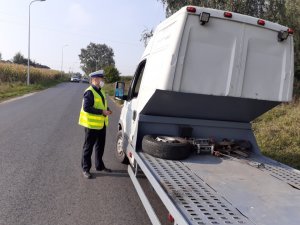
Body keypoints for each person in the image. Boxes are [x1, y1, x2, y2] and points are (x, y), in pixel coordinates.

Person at [78, 70, 112, 179]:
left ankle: (99, 166)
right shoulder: (89, 92)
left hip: (101, 124)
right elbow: (86, 107)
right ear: (94, 79)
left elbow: (101, 105)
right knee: (88, 148)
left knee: (100, 147)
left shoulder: (100, 90)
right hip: (91, 126)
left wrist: (107, 109)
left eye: (102, 78)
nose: (102, 80)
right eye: (100, 78)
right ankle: (85, 169)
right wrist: (102, 112)